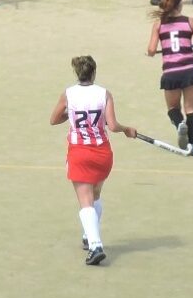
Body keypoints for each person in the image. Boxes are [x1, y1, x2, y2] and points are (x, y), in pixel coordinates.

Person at [49, 56, 137, 265]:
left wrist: (69, 116)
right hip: (102, 153)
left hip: (80, 152)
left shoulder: (68, 94)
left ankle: (96, 245)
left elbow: (53, 120)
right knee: (95, 195)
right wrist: (127, 130)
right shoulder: (104, 94)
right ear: (94, 73)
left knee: (85, 201)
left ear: (77, 73)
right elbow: (113, 126)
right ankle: (89, 236)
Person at [146, 0, 193, 156]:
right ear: (180, 5)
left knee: (172, 108)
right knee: (191, 108)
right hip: (191, 70)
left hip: (171, 72)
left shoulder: (159, 25)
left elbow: (152, 50)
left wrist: (151, 52)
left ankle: (179, 123)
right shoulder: (190, 22)